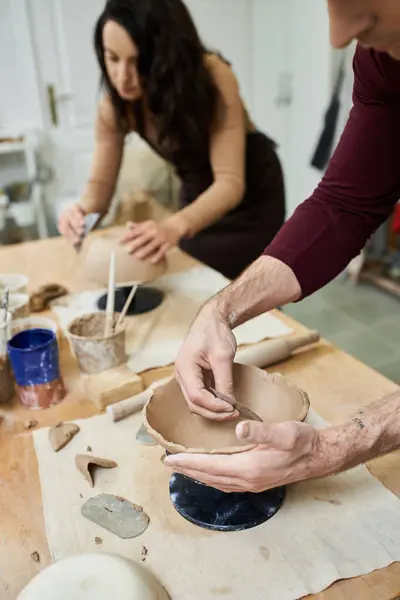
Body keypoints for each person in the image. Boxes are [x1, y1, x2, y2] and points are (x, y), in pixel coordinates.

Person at [167, 0, 400, 493]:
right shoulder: (383, 58)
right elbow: (344, 204)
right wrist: (221, 310)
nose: (338, 35)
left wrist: (334, 446)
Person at [58, 0, 285, 280]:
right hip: (198, 194)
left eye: (137, 61)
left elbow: (230, 183)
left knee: (253, 288)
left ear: (165, 54)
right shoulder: (114, 108)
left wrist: (174, 225)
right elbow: (100, 189)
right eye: (112, 58)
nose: (122, 77)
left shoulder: (214, 77)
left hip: (252, 195)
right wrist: (80, 212)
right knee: (197, 281)